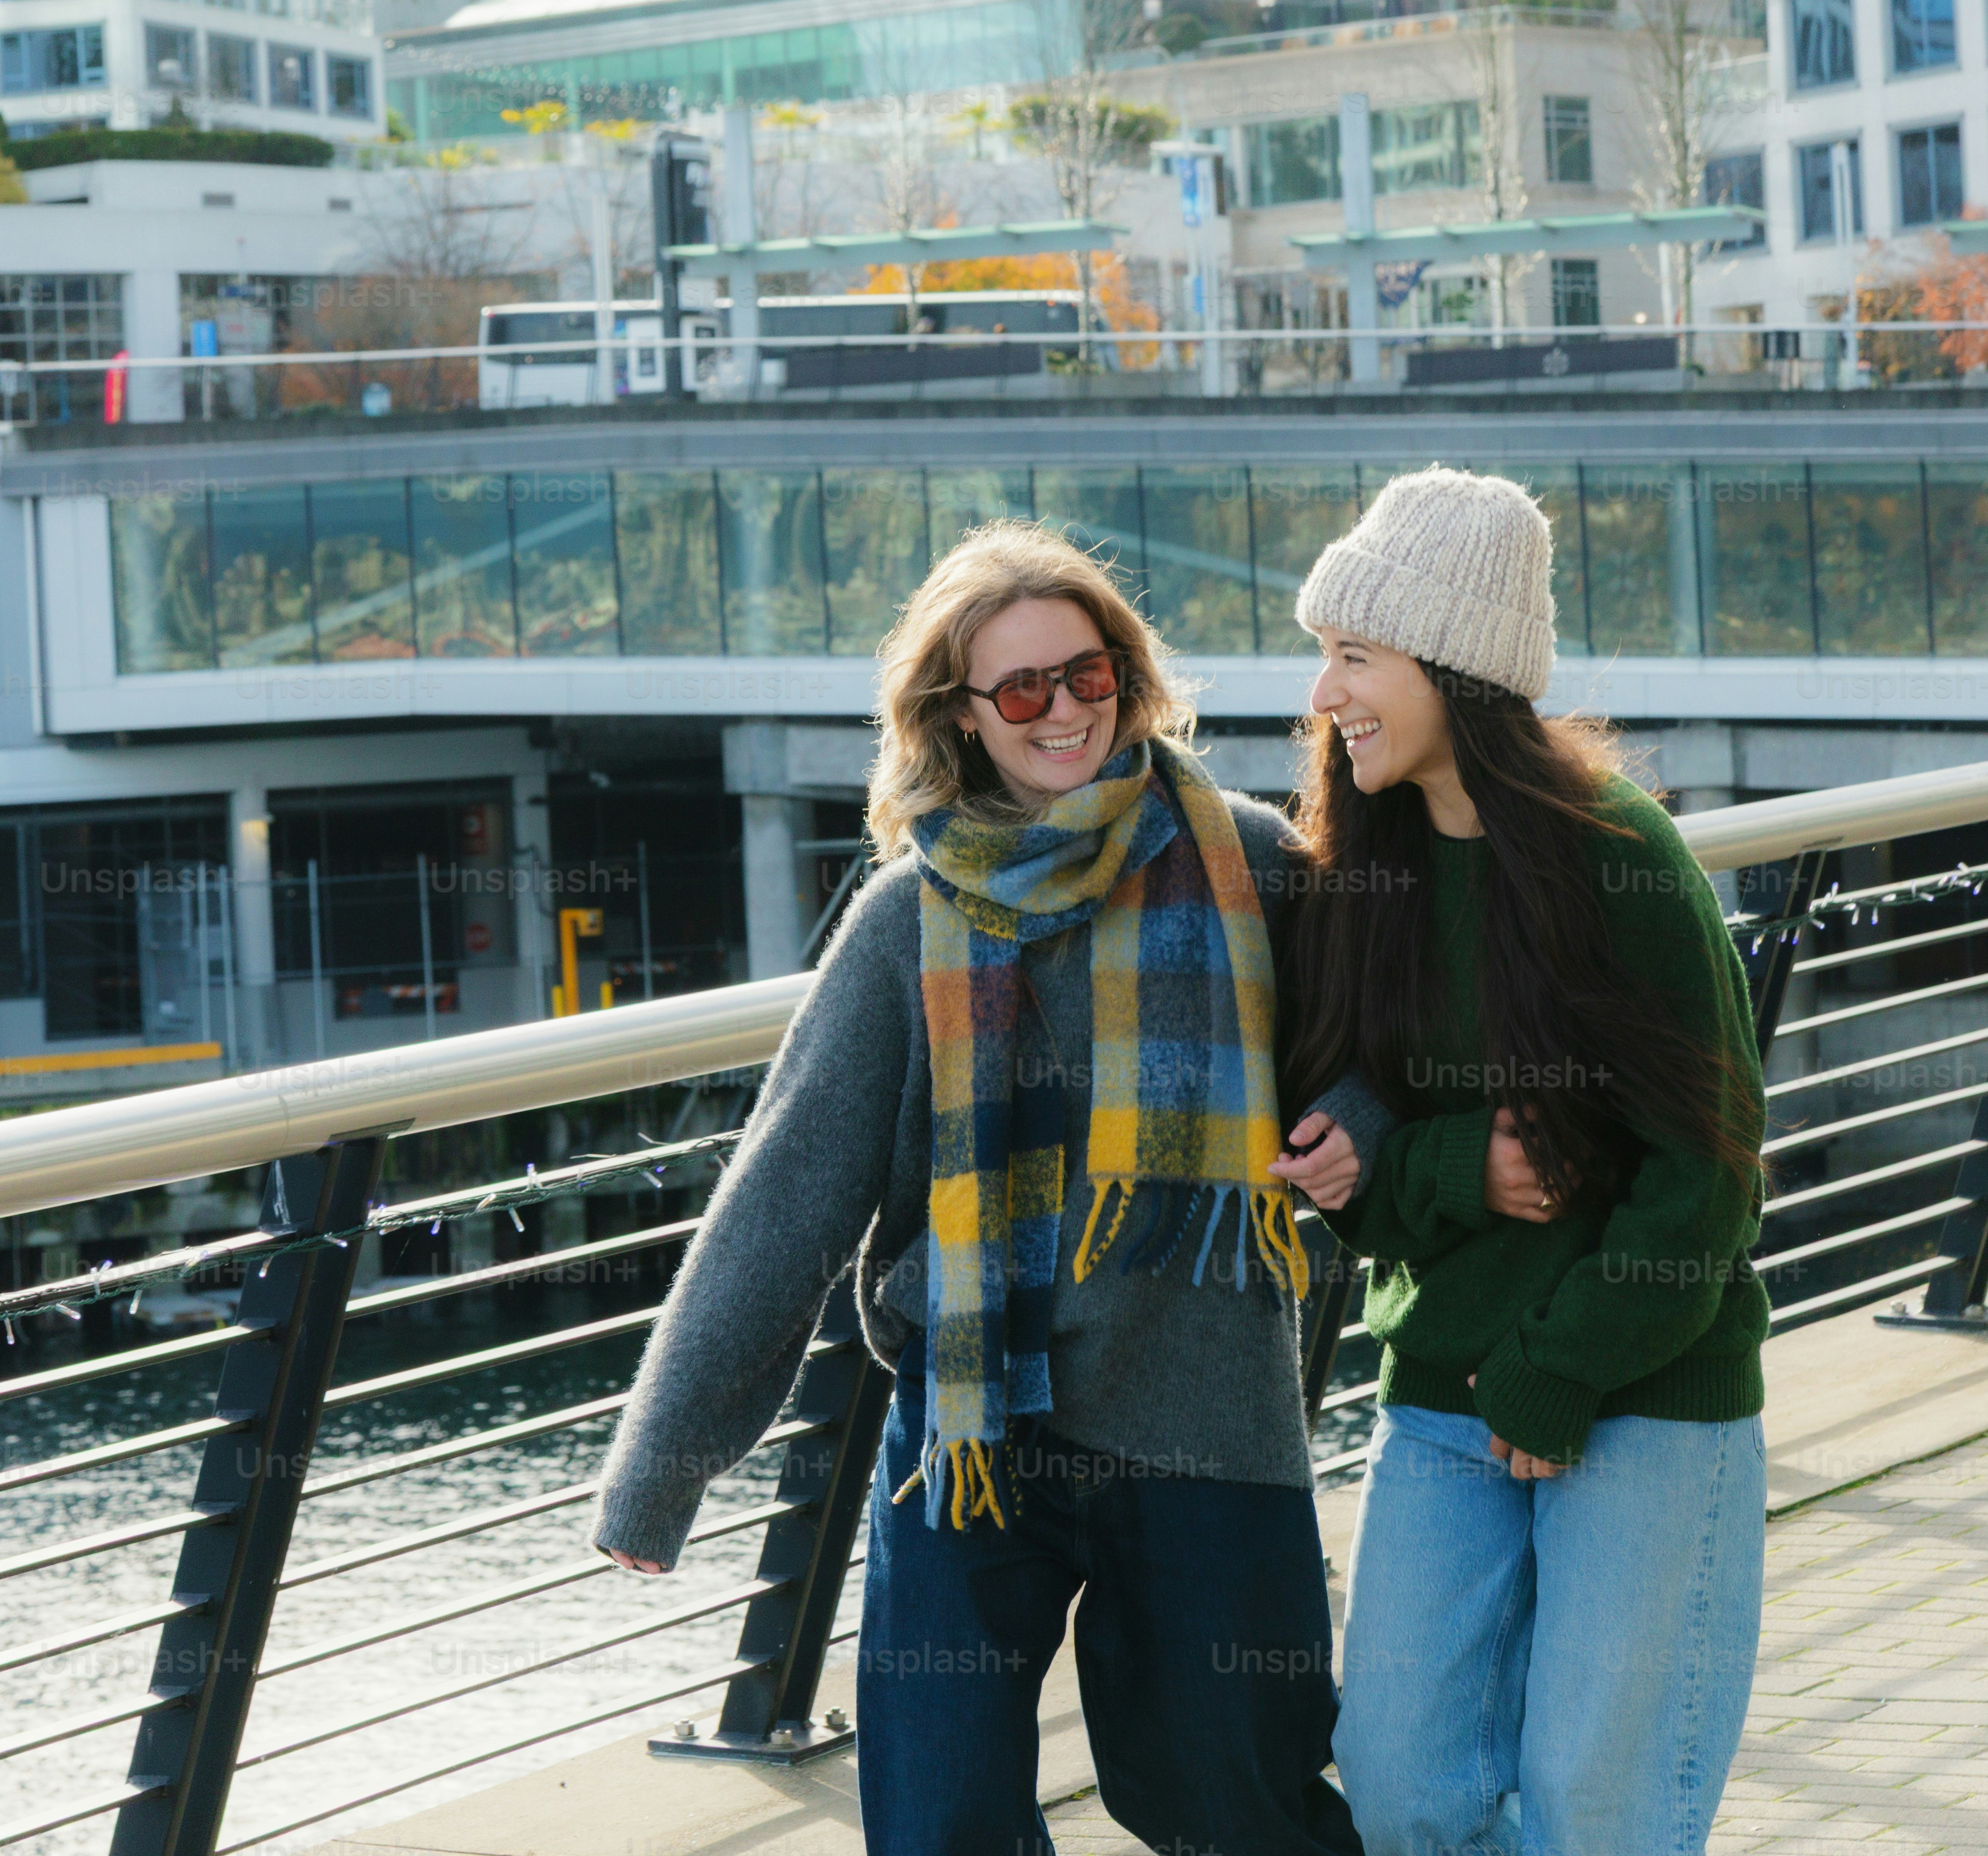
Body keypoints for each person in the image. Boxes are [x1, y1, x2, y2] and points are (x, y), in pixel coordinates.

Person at [593, 519, 1385, 1856]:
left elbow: (1381, 1040)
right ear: (960, 717)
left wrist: (1356, 1121)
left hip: (1206, 1417)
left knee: (1235, 1808)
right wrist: (664, 1470)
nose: (1064, 710)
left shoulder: (1249, 861)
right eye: (1022, 689)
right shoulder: (908, 920)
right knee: (938, 1820)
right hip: (973, 1439)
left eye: (1089, 675)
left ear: (1127, 676)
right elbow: (789, 1193)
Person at [1266, 466, 1770, 1856]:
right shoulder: (1360, 873)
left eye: (1355, 657)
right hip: (1440, 1394)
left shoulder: (1625, 861)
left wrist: (1559, 1371)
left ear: (1455, 671)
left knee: (1597, 1807)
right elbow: (1352, 1155)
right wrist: (1449, 1171)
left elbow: (1707, 1179)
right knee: (1402, 1782)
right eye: (1326, 657)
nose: (1324, 696)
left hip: (1647, 1397)